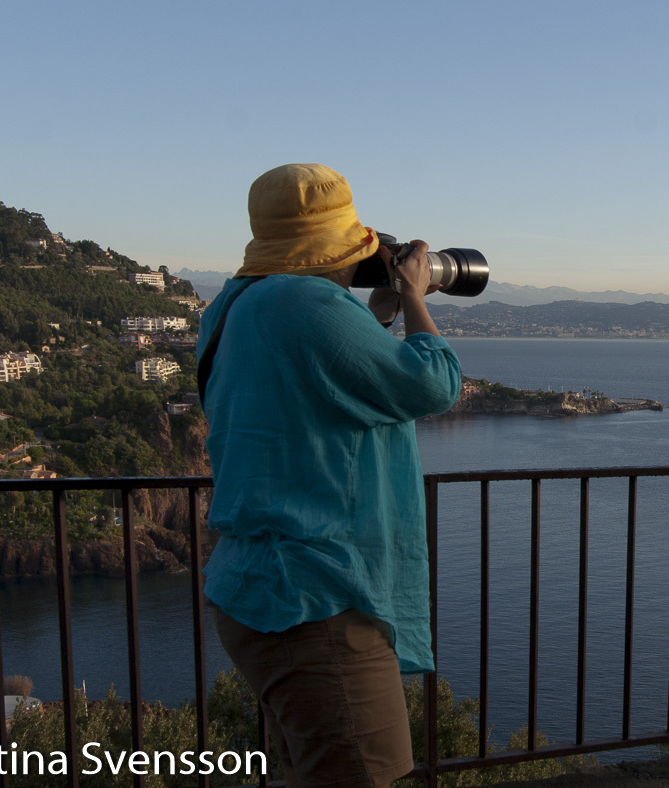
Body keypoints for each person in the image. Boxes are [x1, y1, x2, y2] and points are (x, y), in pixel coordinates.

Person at [196, 163, 462, 788]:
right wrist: (418, 294)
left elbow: (322, 379)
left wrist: (379, 312)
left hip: (259, 586)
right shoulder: (304, 300)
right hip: (315, 602)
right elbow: (434, 384)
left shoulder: (237, 305)